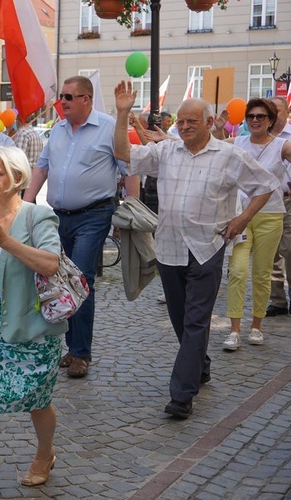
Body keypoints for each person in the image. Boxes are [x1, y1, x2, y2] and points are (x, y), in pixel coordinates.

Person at [113, 81, 278, 419]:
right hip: (170, 246)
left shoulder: (229, 155)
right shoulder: (166, 152)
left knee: (196, 320)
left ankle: (181, 395)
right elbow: (124, 155)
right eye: (181, 122)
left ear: (208, 122)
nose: (184, 127)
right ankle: (200, 364)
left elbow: (266, 185)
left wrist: (243, 218)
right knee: (179, 318)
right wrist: (121, 113)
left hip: (208, 246)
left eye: (192, 121)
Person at [0, 146, 65, 498]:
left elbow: (51, 264)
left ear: (17, 178)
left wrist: (5, 241)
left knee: (38, 401)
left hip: (30, 332)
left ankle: (44, 452)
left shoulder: (38, 217)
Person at [22, 76, 140, 378]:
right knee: (58, 278)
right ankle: (67, 345)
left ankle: (80, 353)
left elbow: (130, 168)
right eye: (62, 96)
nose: (63, 101)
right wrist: (27, 202)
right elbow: (42, 166)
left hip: (94, 215)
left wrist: (131, 209)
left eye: (69, 97)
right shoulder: (58, 130)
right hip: (58, 216)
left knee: (81, 279)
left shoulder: (107, 128)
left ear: (86, 99)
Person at [219, 99, 290, 350]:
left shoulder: (282, 146)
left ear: (271, 120)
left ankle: (256, 326)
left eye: (261, 116)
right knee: (237, 271)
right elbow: (207, 146)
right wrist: (167, 139)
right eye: (250, 116)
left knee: (262, 274)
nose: (255, 120)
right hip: (240, 216)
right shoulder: (237, 143)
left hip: (270, 216)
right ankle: (235, 330)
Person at [266, 96, 291, 317]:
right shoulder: (260, 137)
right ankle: (278, 301)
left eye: (277, 111)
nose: (272, 116)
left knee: (290, 250)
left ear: (287, 112)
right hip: (266, 202)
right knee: (271, 253)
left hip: (289, 199)